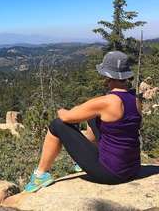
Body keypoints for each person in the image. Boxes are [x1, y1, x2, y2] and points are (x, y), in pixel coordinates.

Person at [24, 51, 142, 193]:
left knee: (57, 124)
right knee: (94, 117)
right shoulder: (135, 100)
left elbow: (67, 117)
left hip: (111, 173)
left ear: (107, 76)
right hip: (132, 168)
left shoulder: (106, 102)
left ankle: (40, 175)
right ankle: (83, 161)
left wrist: (61, 111)